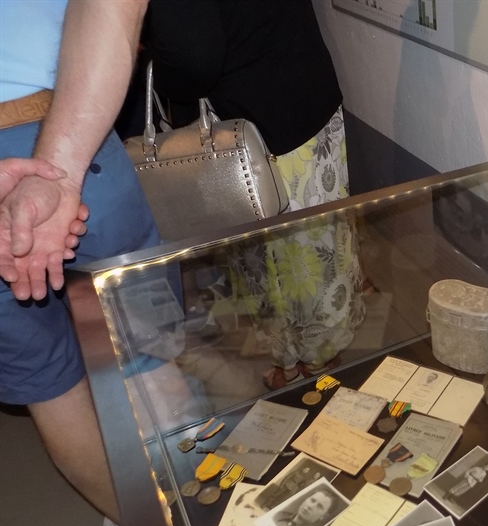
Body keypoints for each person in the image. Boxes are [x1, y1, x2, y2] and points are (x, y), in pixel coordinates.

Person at [0, 0, 197, 526]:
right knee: (146, 354)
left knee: (50, 385)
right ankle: (205, 524)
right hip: (73, 145)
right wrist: (59, 177)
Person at [142, 0, 366, 390]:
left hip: (249, 131)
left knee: (268, 259)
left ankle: (301, 361)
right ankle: (315, 357)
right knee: (315, 250)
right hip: (299, 92)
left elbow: (193, 61)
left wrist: (150, 57)